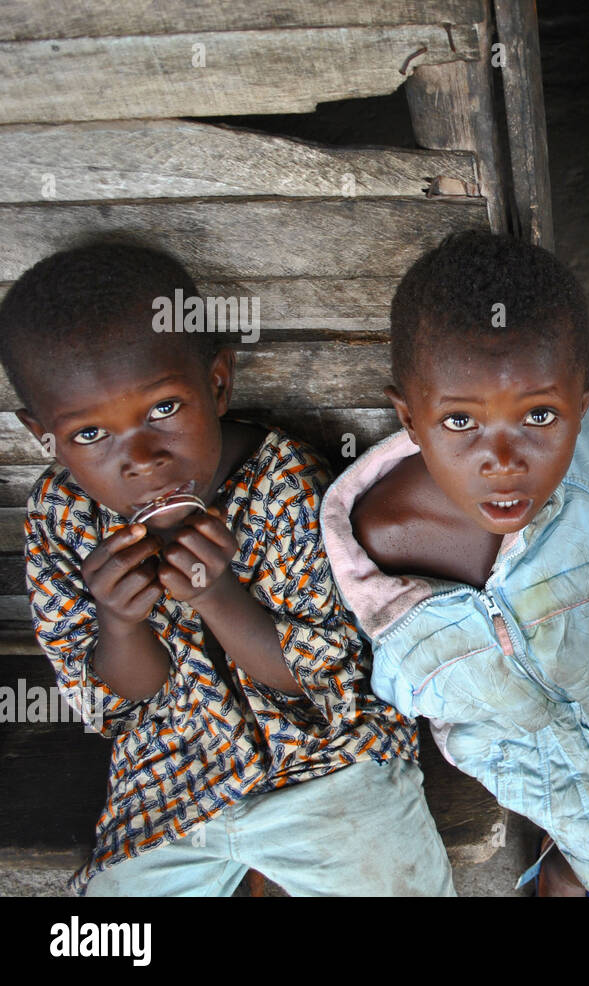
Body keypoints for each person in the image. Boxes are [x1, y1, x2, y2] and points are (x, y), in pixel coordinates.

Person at [4, 245, 453, 895]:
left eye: (162, 409)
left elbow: (317, 677)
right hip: (165, 788)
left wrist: (218, 596)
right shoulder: (63, 516)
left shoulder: (283, 485)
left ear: (217, 384)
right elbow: (123, 697)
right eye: (90, 435)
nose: (141, 459)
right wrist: (120, 623)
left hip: (325, 766)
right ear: (42, 433)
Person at [320, 229, 589, 896]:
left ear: (584, 408)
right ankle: (562, 872)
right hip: (536, 769)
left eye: (540, 416)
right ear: (408, 416)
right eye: (460, 423)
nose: (503, 460)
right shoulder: (373, 547)